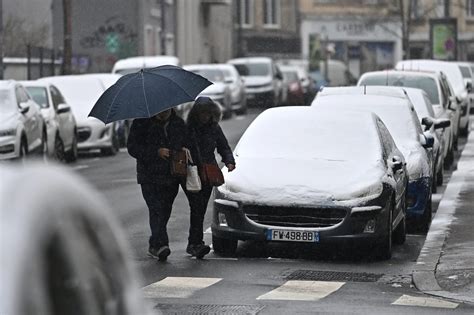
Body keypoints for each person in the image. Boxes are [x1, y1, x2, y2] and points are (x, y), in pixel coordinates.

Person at [127, 108, 186, 261]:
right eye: (160, 111)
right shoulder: (141, 123)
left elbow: (185, 142)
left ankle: (154, 243)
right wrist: (156, 152)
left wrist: (179, 150)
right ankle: (161, 245)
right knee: (156, 209)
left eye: (166, 111)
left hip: (171, 176)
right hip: (149, 176)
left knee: (165, 210)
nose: (163, 114)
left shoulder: (178, 123)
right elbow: (132, 147)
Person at [185, 97, 236, 258]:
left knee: (199, 208)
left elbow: (223, 146)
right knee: (197, 207)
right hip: (192, 171)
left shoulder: (214, 128)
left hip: (207, 172)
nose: (205, 116)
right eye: (202, 113)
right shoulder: (188, 129)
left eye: (208, 113)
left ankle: (194, 243)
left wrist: (229, 161)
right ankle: (195, 243)